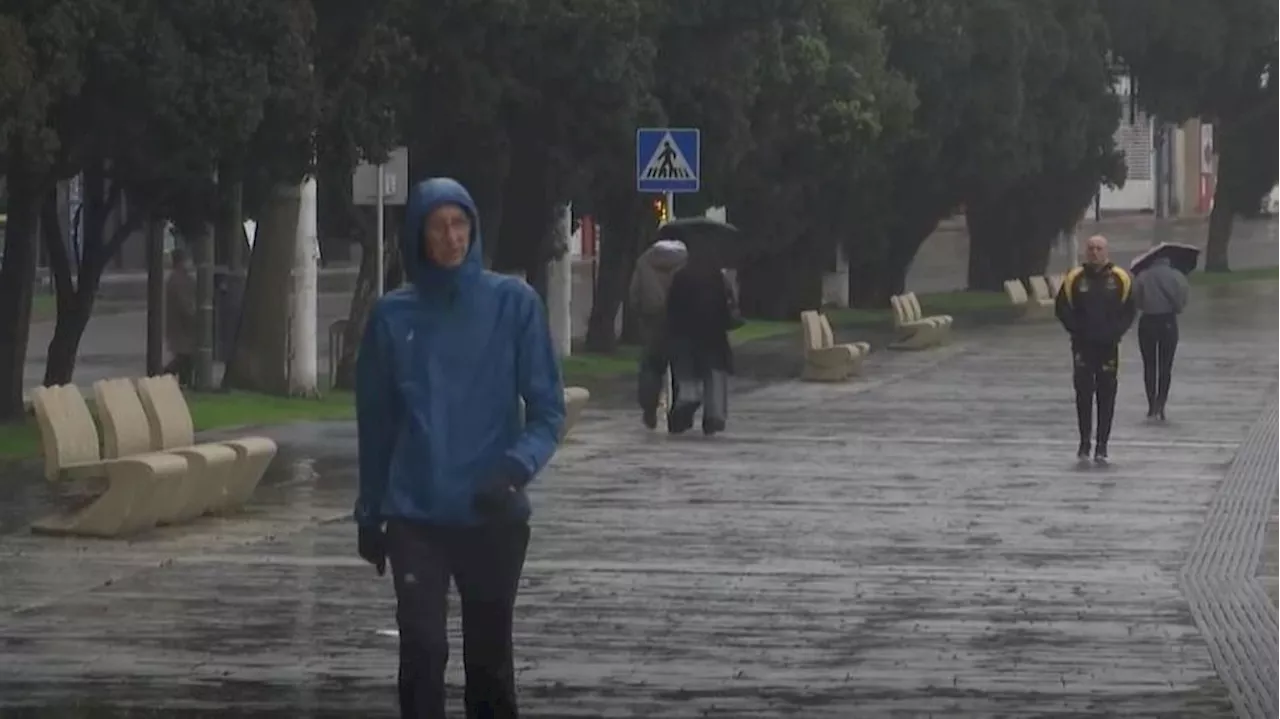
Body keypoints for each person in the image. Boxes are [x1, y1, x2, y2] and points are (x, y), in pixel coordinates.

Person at [354, 177, 566, 719]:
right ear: (417, 236)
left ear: (473, 229)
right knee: (422, 651)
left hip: (491, 511)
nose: (451, 237)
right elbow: (376, 423)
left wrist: (514, 470)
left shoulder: (512, 304)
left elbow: (547, 410)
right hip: (416, 513)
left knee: (489, 660)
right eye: (437, 226)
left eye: (459, 224)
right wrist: (369, 511)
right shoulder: (391, 318)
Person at [1054, 234, 1136, 464]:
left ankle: (1102, 444)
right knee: (1083, 394)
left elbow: (1129, 311)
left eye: (1099, 248)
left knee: (1106, 395)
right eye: (1091, 248)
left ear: (1106, 251)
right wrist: (1076, 330)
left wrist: (1115, 332)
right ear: (1085, 251)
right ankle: (1084, 442)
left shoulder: (1120, 279)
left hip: (1108, 347)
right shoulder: (1075, 278)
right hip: (1082, 347)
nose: (1095, 252)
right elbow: (1062, 308)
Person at [664, 255, 742, 436]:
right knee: (713, 375)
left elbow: (671, 306)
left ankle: (686, 403)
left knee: (686, 374)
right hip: (713, 334)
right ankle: (714, 416)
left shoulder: (680, 276)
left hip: (684, 334)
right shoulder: (717, 277)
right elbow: (728, 305)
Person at [628, 238, 688, 428]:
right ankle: (678, 415)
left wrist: (641, 315)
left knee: (651, 366)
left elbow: (634, 294)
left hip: (653, 322)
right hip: (681, 321)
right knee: (682, 370)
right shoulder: (687, 261)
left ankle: (649, 409)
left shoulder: (644, 261)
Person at [1132, 256, 1189, 420]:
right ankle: (1161, 403)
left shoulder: (1142, 276)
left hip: (1148, 321)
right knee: (1166, 365)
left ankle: (1151, 404)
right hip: (1168, 321)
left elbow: (1136, 299)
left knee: (1149, 364)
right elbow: (1183, 299)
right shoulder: (1177, 276)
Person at [163, 246, 197, 386]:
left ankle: (185, 382)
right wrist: (193, 315)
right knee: (185, 357)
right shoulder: (179, 279)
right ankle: (166, 375)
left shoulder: (177, 278)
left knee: (186, 358)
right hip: (182, 325)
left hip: (180, 325)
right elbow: (185, 304)